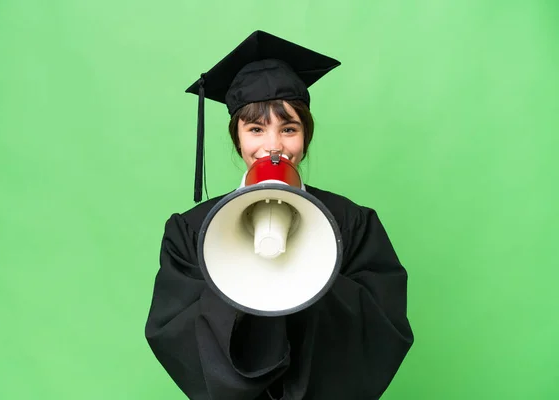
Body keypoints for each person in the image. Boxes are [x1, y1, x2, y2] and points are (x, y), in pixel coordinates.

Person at [144, 30, 414, 400]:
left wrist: (314, 276)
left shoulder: (351, 222)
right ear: (237, 138)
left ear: (306, 136)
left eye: (289, 129)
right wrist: (238, 284)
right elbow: (172, 331)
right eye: (255, 129)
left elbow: (384, 326)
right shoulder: (192, 230)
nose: (273, 146)